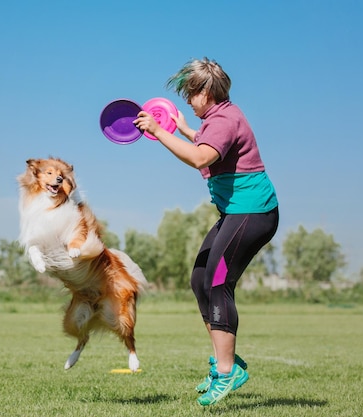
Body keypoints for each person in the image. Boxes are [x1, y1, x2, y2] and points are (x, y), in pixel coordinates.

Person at [134, 57, 279, 407]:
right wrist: (182, 129)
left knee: (217, 283)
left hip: (253, 212)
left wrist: (159, 131)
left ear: (206, 91)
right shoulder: (218, 118)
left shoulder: (226, 119)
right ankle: (224, 363)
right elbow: (204, 141)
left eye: (190, 93)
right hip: (236, 211)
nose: (187, 99)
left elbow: (202, 157)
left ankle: (228, 372)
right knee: (200, 279)